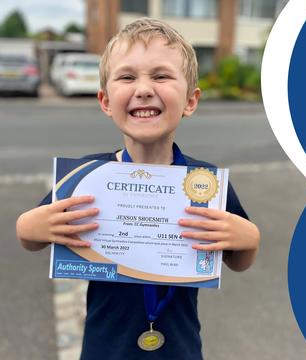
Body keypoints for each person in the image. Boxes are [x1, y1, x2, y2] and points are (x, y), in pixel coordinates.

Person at [15, 18, 260, 359]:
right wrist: (29, 226)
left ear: (191, 101)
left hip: (180, 350)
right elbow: (30, 237)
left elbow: (238, 261)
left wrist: (250, 239)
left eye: (161, 76)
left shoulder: (206, 184)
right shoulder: (87, 178)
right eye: (127, 77)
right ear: (105, 101)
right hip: (105, 350)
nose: (144, 89)